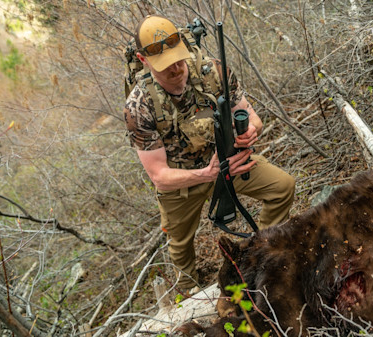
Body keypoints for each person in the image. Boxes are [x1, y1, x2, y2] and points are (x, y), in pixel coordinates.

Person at [123, 15, 295, 293]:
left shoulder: (213, 71)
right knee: (179, 244)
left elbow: (253, 117)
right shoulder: (139, 107)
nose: (176, 68)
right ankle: (188, 292)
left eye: (179, 58)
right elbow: (159, 176)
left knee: (282, 186)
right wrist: (206, 174)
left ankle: (263, 254)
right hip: (181, 181)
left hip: (227, 161)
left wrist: (250, 131)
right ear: (144, 61)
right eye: (165, 66)